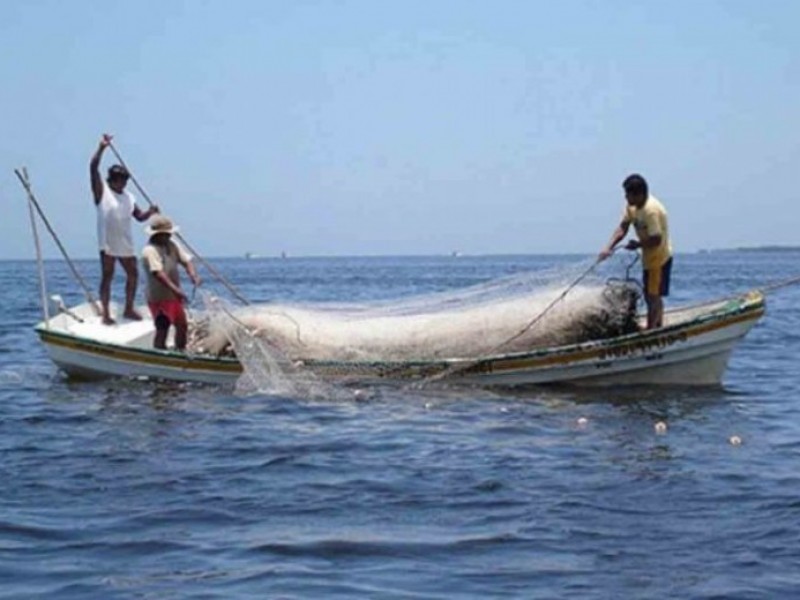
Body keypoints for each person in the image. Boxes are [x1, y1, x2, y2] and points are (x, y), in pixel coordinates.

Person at [91, 133, 159, 325]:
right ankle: (106, 313)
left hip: (125, 241)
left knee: (133, 274)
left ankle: (128, 308)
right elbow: (93, 168)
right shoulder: (102, 191)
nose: (122, 183)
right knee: (108, 275)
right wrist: (102, 148)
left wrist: (151, 212)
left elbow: (139, 217)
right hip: (108, 241)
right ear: (112, 179)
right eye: (119, 180)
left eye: (124, 180)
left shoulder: (129, 196)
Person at [598, 173, 673, 329]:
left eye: (628, 194)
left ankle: (653, 330)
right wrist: (608, 247)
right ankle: (656, 324)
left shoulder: (651, 210)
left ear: (639, 194)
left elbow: (656, 239)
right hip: (648, 258)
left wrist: (637, 244)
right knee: (650, 295)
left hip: (659, 258)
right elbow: (623, 227)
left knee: (653, 296)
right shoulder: (632, 207)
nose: (626, 198)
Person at [141, 216, 201, 350]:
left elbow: (186, 261)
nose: (168, 237)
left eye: (169, 234)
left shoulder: (172, 245)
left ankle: (180, 351)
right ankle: (159, 356)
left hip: (173, 297)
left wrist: (193, 275)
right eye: (165, 234)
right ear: (157, 235)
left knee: (182, 325)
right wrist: (176, 290)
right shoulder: (149, 251)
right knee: (163, 327)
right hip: (159, 298)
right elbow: (158, 273)